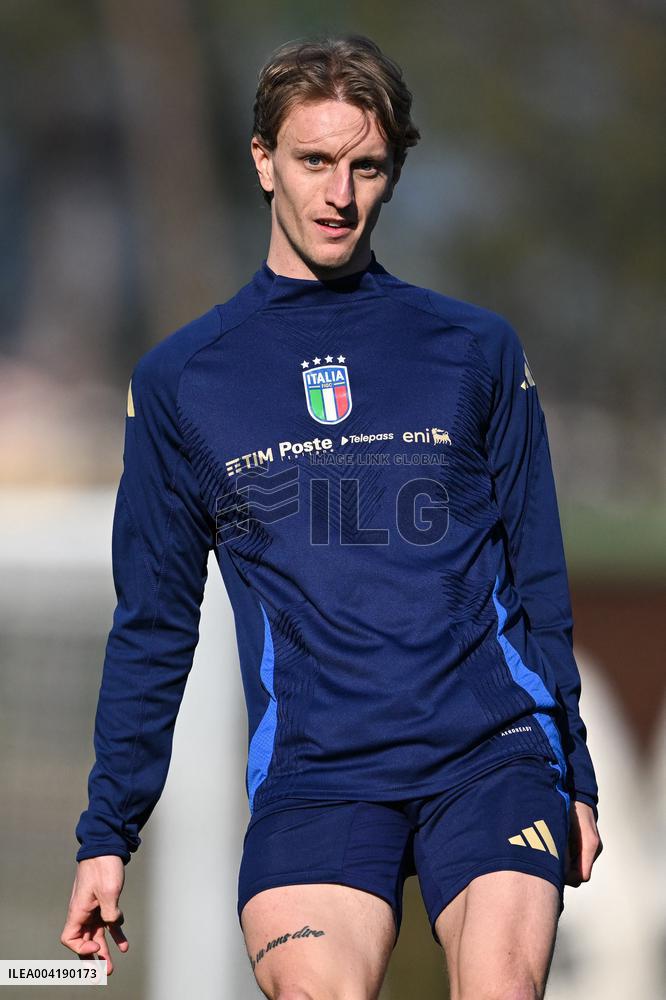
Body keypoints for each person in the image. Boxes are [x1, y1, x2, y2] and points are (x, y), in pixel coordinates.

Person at [61, 33, 602, 999]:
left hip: (490, 756)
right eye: (314, 161)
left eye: (368, 167)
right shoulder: (183, 381)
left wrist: (577, 772)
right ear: (263, 160)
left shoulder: (475, 350)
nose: (340, 195)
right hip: (317, 775)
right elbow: (152, 625)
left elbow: (538, 576)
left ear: (395, 172)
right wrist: (109, 833)